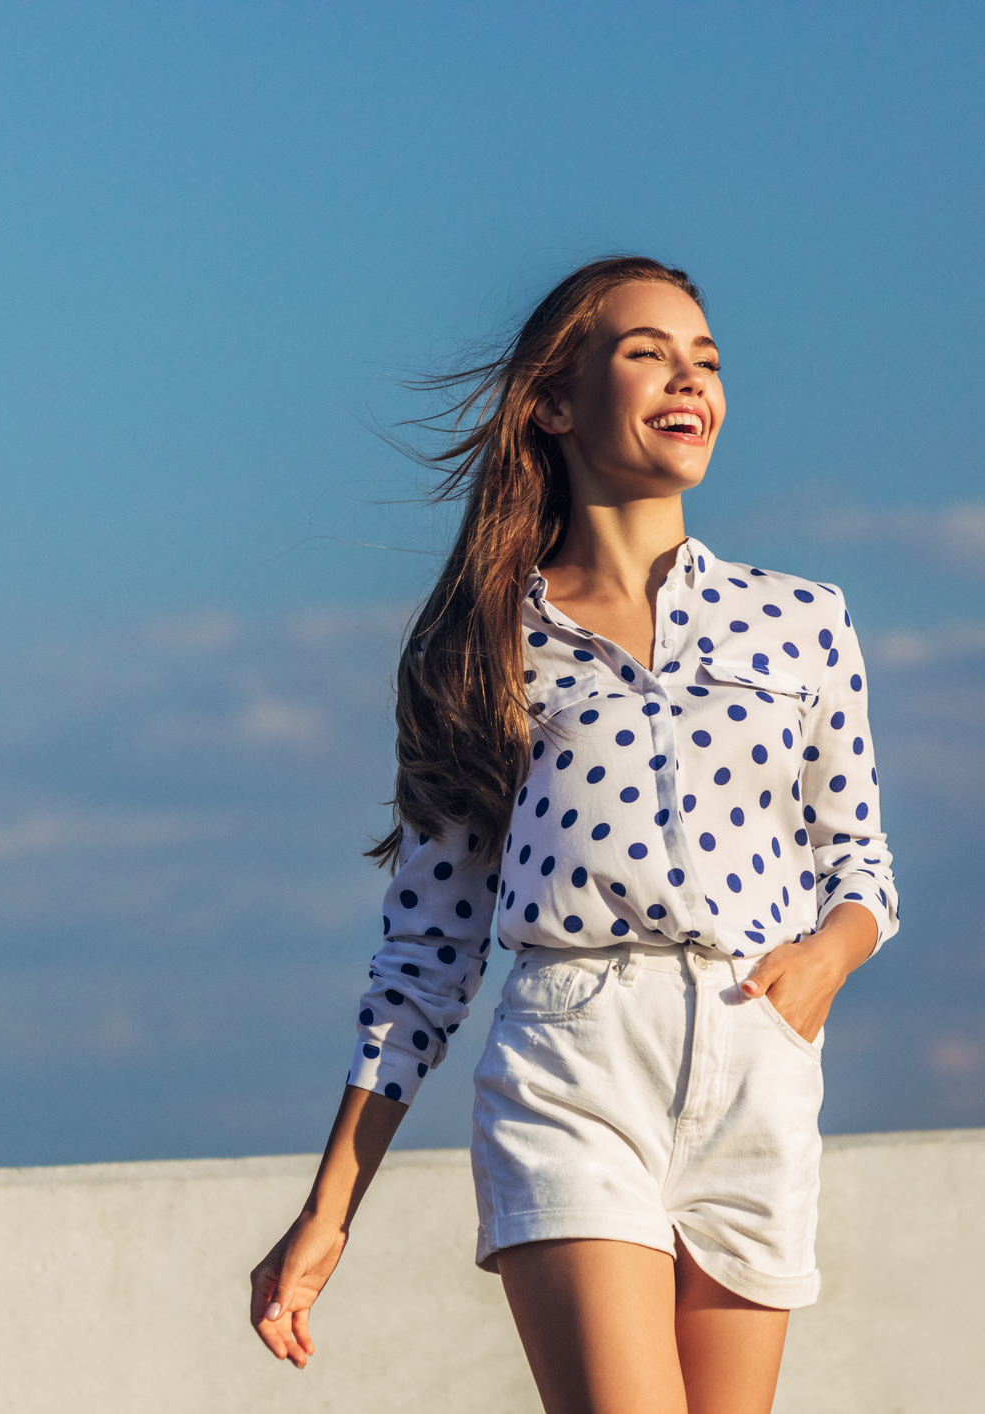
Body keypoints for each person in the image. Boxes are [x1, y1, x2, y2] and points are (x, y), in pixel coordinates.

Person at [249, 255, 900, 1414]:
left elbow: (862, 867)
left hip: (759, 1060)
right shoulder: (482, 645)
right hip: (575, 1060)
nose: (687, 376)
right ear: (552, 401)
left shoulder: (805, 620)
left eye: (704, 358)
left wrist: (827, 959)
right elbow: (426, 957)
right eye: (647, 351)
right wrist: (327, 1208)